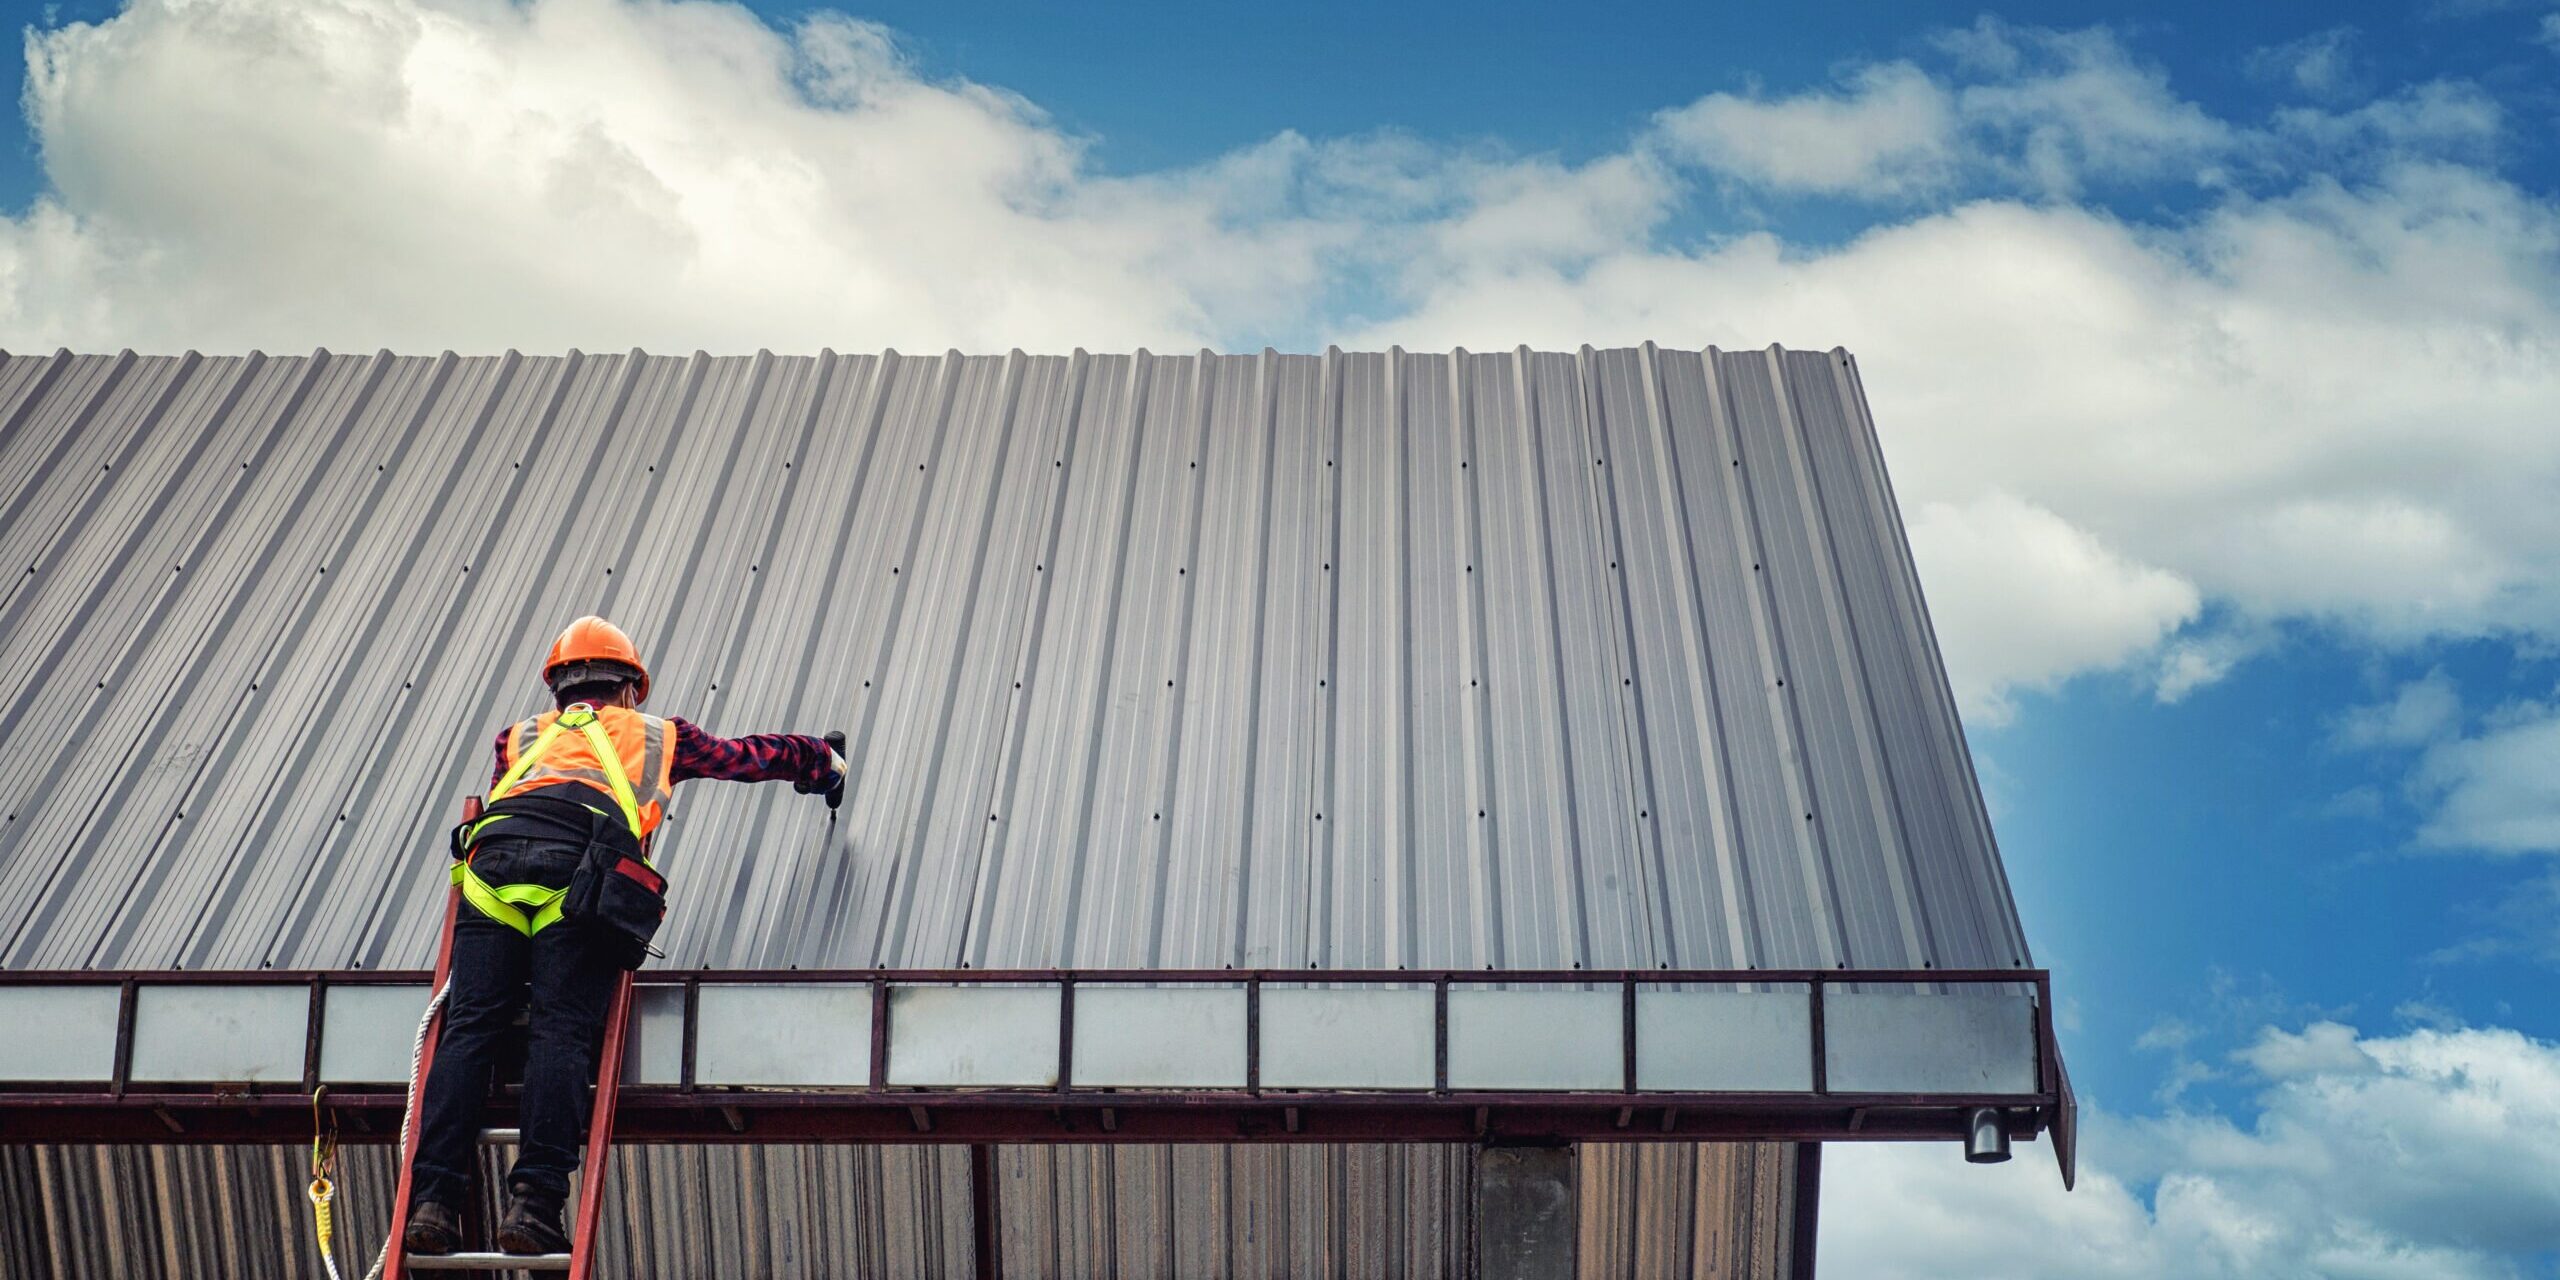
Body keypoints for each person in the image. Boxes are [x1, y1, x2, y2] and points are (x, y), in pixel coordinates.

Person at [403, 616, 845, 1257]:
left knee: (470, 1028)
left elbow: (517, 797)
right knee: (560, 1029)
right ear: (631, 687)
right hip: (577, 878)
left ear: (557, 687)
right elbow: (751, 757)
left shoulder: (519, 737)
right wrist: (822, 762)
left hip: (489, 870)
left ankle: (435, 1204)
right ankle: (532, 1206)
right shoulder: (660, 735)